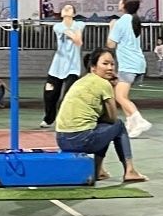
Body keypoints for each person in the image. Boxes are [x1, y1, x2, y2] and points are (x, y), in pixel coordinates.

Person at [55, 48, 146, 184]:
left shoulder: (81, 81)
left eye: (112, 64)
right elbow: (112, 118)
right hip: (81, 140)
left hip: (61, 140)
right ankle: (129, 170)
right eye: (105, 63)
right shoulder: (103, 84)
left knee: (102, 127)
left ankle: (98, 171)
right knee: (118, 125)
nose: (110, 68)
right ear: (93, 67)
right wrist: (113, 87)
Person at [106, 0, 151, 138]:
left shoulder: (121, 21)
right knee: (123, 95)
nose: (119, 3)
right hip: (137, 63)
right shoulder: (134, 20)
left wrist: (111, 27)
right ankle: (132, 124)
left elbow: (111, 44)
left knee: (119, 96)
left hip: (128, 64)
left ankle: (139, 120)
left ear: (125, 5)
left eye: (121, 1)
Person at [40, 3, 83, 128]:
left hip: (73, 67)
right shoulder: (57, 27)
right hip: (56, 67)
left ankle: (67, 120)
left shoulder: (80, 24)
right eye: (64, 8)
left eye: (70, 8)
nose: (66, 9)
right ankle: (49, 119)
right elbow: (74, 37)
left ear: (74, 14)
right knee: (49, 93)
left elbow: (79, 42)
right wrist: (74, 35)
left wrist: (75, 36)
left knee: (69, 95)